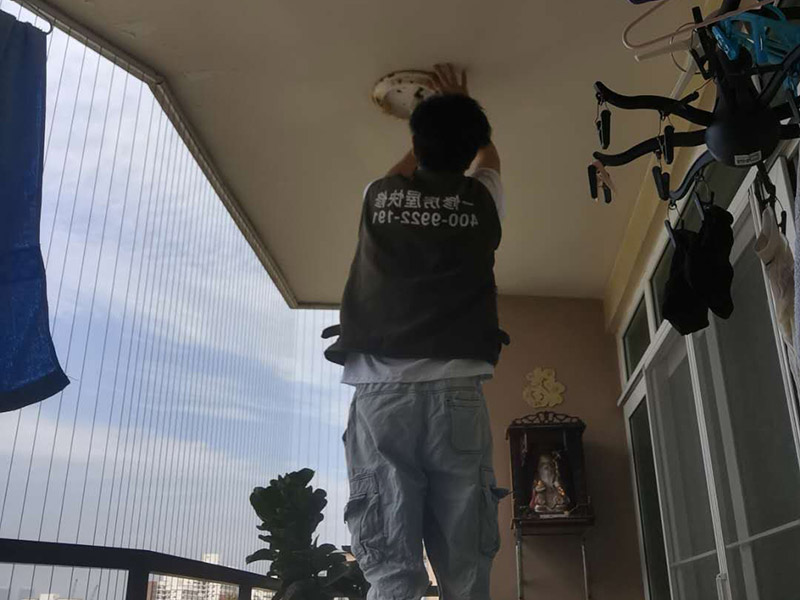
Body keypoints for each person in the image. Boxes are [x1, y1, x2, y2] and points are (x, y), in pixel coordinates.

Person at [323, 64, 509, 600]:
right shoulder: (482, 199)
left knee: (391, 568)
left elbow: (404, 173)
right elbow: (490, 161)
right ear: (469, 150)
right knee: (466, 568)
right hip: (457, 393)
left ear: (415, 142)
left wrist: (431, 124)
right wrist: (468, 121)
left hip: (381, 395)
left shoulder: (378, 196)